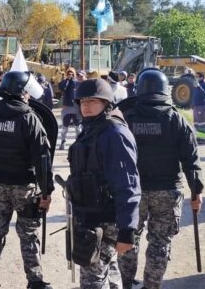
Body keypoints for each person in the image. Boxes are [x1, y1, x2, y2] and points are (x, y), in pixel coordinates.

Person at [119, 68, 203, 289]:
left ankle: (125, 283)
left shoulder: (126, 118)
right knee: (160, 242)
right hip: (167, 190)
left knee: (128, 238)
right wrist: (197, 191)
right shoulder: (176, 119)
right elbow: (191, 159)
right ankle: (151, 285)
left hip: (132, 191)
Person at [0, 71, 54, 289]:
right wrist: (47, 192)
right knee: (29, 235)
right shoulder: (29, 117)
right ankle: (35, 281)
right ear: (22, 92)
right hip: (24, 186)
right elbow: (43, 158)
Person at [65, 78, 141, 289]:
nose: (86, 106)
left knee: (92, 281)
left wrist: (127, 230)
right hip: (89, 215)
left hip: (106, 220)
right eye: (83, 102)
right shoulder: (91, 129)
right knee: (109, 273)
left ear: (106, 103)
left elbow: (128, 184)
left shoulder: (114, 133)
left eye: (93, 101)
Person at [58, 68, 80, 150]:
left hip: (75, 107)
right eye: (69, 73)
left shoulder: (77, 83)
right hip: (66, 107)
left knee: (78, 127)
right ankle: (62, 142)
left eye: (72, 74)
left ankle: (78, 141)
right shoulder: (65, 82)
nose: (70, 75)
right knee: (64, 127)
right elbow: (60, 87)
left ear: (74, 74)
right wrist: (67, 79)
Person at [192, 72, 205, 144]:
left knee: (202, 124)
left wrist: (199, 87)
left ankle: (203, 139)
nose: (195, 78)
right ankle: (199, 138)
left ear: (201, 77)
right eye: (195, 76)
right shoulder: (196, 84)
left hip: (201, 107)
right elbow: (195, 95)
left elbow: (204, 95)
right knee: (196, 124)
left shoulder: (204, 85)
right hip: (196, 107)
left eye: (197, 76)